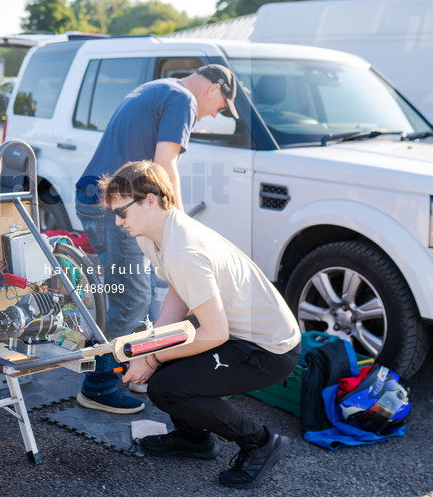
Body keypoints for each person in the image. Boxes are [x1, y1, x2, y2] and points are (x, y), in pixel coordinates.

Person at [108, 160, 302, 489]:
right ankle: (195, 441)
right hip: (239, 334)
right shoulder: (155, 233)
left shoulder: (183, 249)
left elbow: (214, 333)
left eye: (122, 212)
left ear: (150, 200)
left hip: (268, 349)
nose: (117, 221)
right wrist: (149, 346)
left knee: (166, 387)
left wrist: (152, 357)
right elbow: (177, 292)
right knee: (168, 373)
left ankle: (262, 442)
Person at [74, 64, 240, 414]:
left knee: (134, 291)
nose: (214, 114)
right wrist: (178, 223)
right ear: (214, 89)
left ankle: (128, 368)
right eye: (221, 106)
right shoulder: (183, 100)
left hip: (105, 199)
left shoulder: (159, 87)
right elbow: (165, 165)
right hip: (117, 206)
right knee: (133, 296)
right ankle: (98, 385)